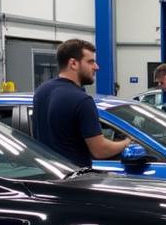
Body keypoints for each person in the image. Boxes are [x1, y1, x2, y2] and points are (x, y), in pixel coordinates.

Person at [33, 38, 130, 168]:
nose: (96, 67)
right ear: (73, 63)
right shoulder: (82, 100)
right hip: (75, 179)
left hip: (48, 176)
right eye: (91, 62)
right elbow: (100, 150)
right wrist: (127, 142)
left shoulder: (41, 91)